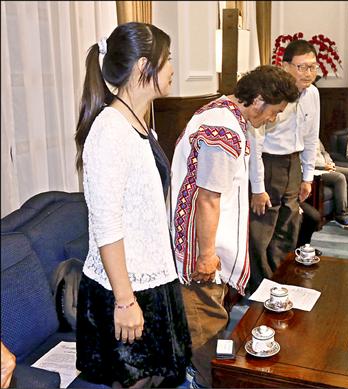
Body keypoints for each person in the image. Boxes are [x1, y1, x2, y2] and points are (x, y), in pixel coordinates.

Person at [73, 22, 191, 387]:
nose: (172, 68)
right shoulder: (110, 131)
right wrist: (125, 302)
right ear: (144, 67)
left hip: (152, 279)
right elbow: (106, 226)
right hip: (126, 290)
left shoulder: (139, 125)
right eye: (167, 59)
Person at [170, 65, 299, 387]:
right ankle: (206, 381)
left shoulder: (222, 116)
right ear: (258, 100)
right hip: (202, 251)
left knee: (211, 319)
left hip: (207, 244)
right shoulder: (222, 129)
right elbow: (208, 198)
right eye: (275, 112)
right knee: (207, 325)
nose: (273, 119)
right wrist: (206, 255)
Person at [248, 40, 320, 292]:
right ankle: (258, 284)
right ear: (285, 65)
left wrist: (307, 176)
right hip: (268, 163)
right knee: (263, 225)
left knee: (289, 223)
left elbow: (312, 138)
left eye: (312, 67)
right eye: (301, 67)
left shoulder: (313, 94)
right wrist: (257, 188)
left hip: (294, 162)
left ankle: (279, 278)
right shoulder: (271, 95)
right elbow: (255, 143)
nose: (308, 73)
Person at [316, 139, 348, 229]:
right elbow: (302, 160)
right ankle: (341, 216)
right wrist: (323, 166)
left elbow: (324, 152)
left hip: (326, 166)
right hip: (314, 169)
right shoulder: (297, 136)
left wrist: (330, 163)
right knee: (339, 178)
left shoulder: (314, 134)